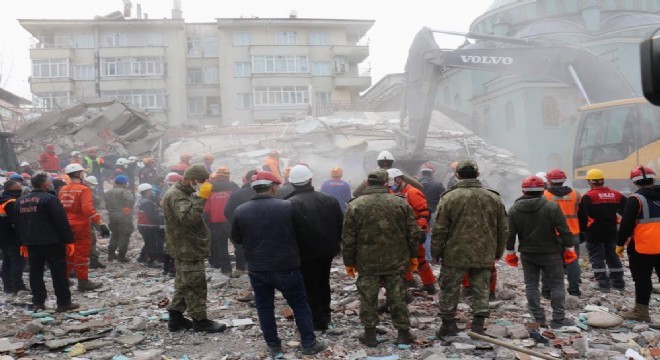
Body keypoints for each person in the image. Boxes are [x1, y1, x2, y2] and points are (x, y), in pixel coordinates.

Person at [231, 171, 327, 357]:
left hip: (258, 268)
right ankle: (308, 343)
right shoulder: (287, 206)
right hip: (286, 266)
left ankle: (274, 345)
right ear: (273, 186)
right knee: (299, 304)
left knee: (264, 307)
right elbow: (303, 233)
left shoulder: (241, 210)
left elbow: (237, 238)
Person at [432, 159, 508, 336]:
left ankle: (448, 326)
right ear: (478, 174)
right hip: (484, 253)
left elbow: (439, 229)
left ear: (457, 175)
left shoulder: (449, 197)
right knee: (481, 288)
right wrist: (498, 251)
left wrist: (436, 251)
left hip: (455, 254)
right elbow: (503, 229)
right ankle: (478, 326)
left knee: (450, 288)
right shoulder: (493, 198)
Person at [343, 169, 419, 346]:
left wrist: (349, 262)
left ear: (368, 183)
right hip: (396, 261)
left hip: (367, 262)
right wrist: (414, 256)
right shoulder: (400, 203)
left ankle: (370, 335)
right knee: (397, 297)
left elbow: (348, 238)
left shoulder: (355, 205)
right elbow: (413, 233)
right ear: (387, 183)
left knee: (368, 298)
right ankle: (403, 333)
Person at [505, 175, 577, 329]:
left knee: (531, 285)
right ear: (543, 189)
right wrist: (569, 248)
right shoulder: (551, 207)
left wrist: (510, 252)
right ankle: (558, 319)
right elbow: (564, 230)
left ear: (523, 190)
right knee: (557, 284)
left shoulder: (514, 209)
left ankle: (538, 318)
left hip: (528, 254)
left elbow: (510, 234)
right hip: (551, 252)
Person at [162, 164, 226, 333]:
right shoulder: (177, 195)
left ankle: (175, 318)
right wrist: (202, 198)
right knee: (195, 284)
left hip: (186, 246)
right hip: (186, 248)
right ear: (191, 179)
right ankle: (200, 321)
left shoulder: (184, 192)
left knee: (184, 283)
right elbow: (189, 218)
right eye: (201, 181)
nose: (203, 184)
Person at [284, 165, 343, 332]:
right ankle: (325, 314)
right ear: (310, 179)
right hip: (327, 250)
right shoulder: (329, 199)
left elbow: (289, 232)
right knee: (323, 282)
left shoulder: (289, 203)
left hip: (305, 254)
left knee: (309, 285)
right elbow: (340, 225)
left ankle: (317, 321)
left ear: (293, 183)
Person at [14, 173, 79, 312]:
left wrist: (22, 242)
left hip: (31, 243)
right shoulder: (50, 199)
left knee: (35, 273)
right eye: (49, 182)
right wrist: (69, 240)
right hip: (52, 242)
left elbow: (18, 224)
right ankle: (63, 302)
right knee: (59, 272)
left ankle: (38, 302)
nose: (50, 184)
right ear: (45, 185)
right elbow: (60, 222)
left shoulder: (20, 201)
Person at [616, 166, 660, 322]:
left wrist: (619, 244)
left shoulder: (635, 200)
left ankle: (641, 312)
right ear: (653, 179)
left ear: (635, 183)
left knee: (642, 279)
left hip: (642, 248)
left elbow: (626, 225)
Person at [58, 164, 109, 291]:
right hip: (80, 225)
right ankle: (83, 282)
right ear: (78, 174)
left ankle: (64, 279)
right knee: (81, 254)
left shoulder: (63, 189)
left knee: (68, 252)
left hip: (65, 225)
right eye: (82, 172)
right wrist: (101, 223)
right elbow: (87, 209)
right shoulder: (83, 189)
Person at [388, 168, 436, 294]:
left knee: (419, 258)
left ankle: (429, 284)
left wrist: (420, 230)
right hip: (402, 231)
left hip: (414, 231)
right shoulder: (396, 193)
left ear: (399, 180)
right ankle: (409, 281)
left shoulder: (412, 192)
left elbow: (423, 212)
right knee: (402, 258)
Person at [578, 168, 627, 292]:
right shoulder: (616, 195)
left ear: (590, 182)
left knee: (597, 257)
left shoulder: (588, 196)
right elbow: (626, 211)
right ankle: (619, 283)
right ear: (602, 181)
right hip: (611, 231)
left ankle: (603, 284)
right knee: (612, 255)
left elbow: (582, 216)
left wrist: (582, 232)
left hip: (594, 232)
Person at [541, 168, 583, 297]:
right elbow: (581, 213)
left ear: (548, 180)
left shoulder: (544, 195)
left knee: (548, 262)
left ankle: (547, 291)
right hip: (572, 233)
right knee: (573, 262)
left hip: (552, 234)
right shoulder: (576, 194)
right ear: (564, 180)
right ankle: (574, 290)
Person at [203, 166, 239, 274]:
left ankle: (226, 269)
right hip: (232, 221)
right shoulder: (234, 186)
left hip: (216, 222)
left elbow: (206, 209)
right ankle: (241, 267)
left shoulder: (209, 188)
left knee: (221, 247)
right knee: (238, 244)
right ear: (227, 176)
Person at [222, 169, 258, 274]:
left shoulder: (236, 194)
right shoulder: (263, 192)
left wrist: (235, 223)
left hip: (242, 226)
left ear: (246, 180)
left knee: (240, 246)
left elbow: (227, 210)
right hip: (260, 227)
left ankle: (240, 268)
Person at [353, 150, 423, 198]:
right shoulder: (398, 175)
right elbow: (419, 187)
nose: (385, 164)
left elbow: (355, 193)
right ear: (392, 162)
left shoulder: (372, 176)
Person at [0, 180, 27, 294]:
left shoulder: (2, 201)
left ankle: (8, 286)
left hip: (3, 237)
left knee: (7, 261)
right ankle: (18, 286)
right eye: (18, 188)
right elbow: (16, 221)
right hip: (13, 237)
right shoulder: (11, 202)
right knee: (18, 261)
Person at [104, 175, 135, 263]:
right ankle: (121, 256)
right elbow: (131, 201)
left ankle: (111, 255)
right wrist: (128, 209)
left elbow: (106, 204)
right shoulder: (125, 192)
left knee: (115, 235)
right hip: (123, 216)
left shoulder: (108, 192)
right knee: (124, 236)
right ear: (125, 183)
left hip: (112, 215)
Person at [418, 162, 446, 261]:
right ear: (432, 173)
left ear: (421, 173)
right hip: (434, 213)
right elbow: (445, 198)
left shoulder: (416, 184)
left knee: (423, 234)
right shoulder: (438, 184)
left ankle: (425, 257)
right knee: (435, 234)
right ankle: (434, 257)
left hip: (420, 214)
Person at [137, 183, 162, 268]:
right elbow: (152, 216)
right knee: (151, 244)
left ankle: (142, 257)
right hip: (148, 226)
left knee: (148, 243)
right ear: (147, 191)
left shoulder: (143, 200)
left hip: (143, 226)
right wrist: (162, 220)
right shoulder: (148, 203)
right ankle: (151, 261)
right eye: (151, 190)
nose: (152, 192)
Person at [84, 176, 106, 270]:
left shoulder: (88, 191)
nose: (94, 186)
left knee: (92, 240)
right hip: (86, 219)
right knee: (90, 240)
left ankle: (93, 261)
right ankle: (91, 261)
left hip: (90, 218)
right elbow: (94, 202)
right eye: (92, 185)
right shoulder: (86, 192)